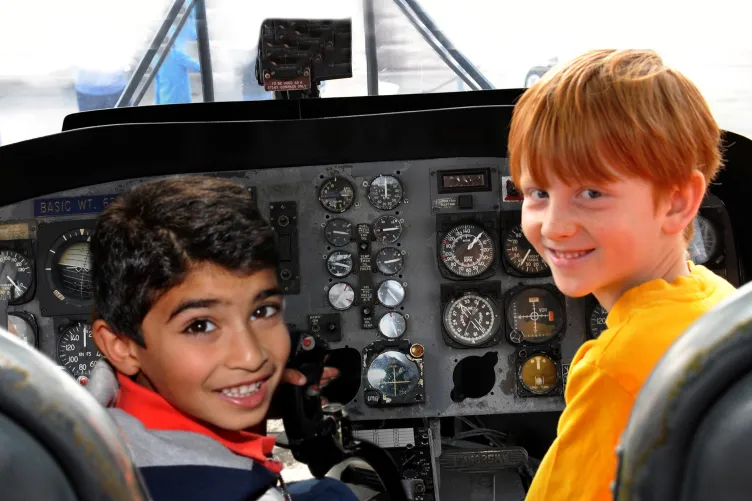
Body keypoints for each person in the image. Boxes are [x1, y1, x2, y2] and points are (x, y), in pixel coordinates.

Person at [507, 49, 736, 501]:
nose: (554, 225)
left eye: (591, 192)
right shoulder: (717, 300)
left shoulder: (616, 368)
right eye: (538, 192)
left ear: (677, 201)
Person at [88, 176, 357, 501]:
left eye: (262, 311)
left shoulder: (96, 420)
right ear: (121, 346)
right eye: (200, 326)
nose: (251, 356)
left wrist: (247, 394)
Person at [154, 9, 200, 105]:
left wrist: (158, 103)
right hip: (181, 101)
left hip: (165, 101)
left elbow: (157, 85)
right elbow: (198, 67)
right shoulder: (177, 55)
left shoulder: (155, 60)